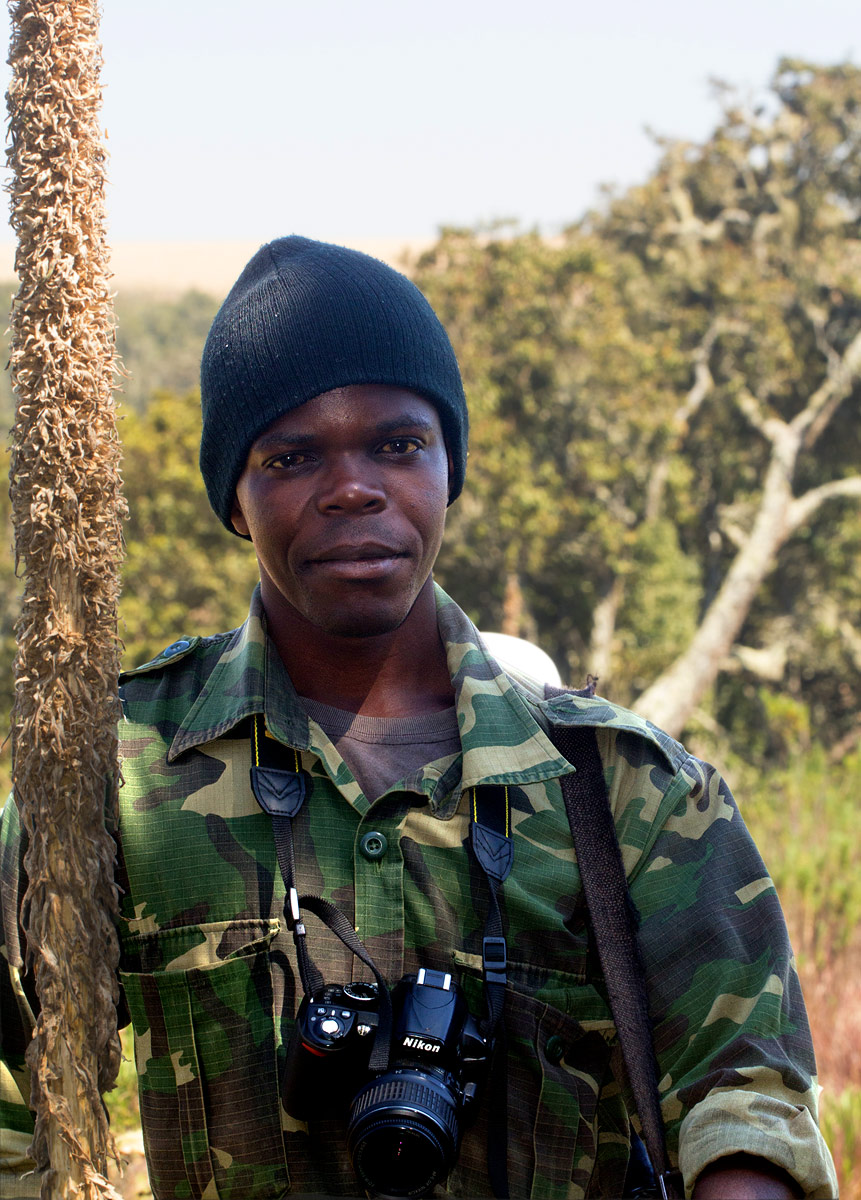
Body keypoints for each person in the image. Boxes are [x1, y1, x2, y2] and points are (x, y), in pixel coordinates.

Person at [1, 237, 837, 1199]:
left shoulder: (627, 792)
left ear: (450, 470)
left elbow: (747, 1094)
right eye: (292, 454)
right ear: (234, 498)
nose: (352, 487)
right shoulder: (119, 773)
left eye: (397, 445)